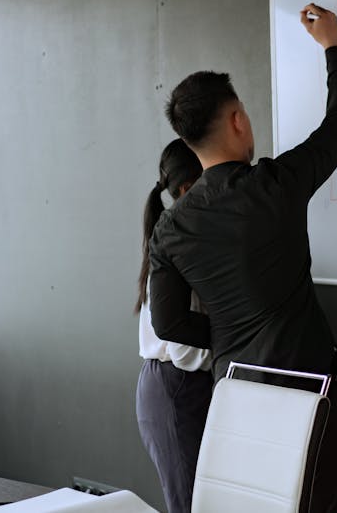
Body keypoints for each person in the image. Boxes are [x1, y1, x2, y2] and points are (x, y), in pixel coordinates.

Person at [148, 3, 337, 511]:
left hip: (235, 398)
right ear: (238, 120)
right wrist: (333, 45)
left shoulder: (170, 228)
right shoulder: (274, 186)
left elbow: (168, 323)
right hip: (308, 395)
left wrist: (228, 332)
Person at [134, 138, 213, 513]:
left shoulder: (175, 235)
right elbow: (184, 351)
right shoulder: (179, 241)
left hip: (173, 384)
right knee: (191, 504)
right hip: (176, 386)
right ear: (187, 187)